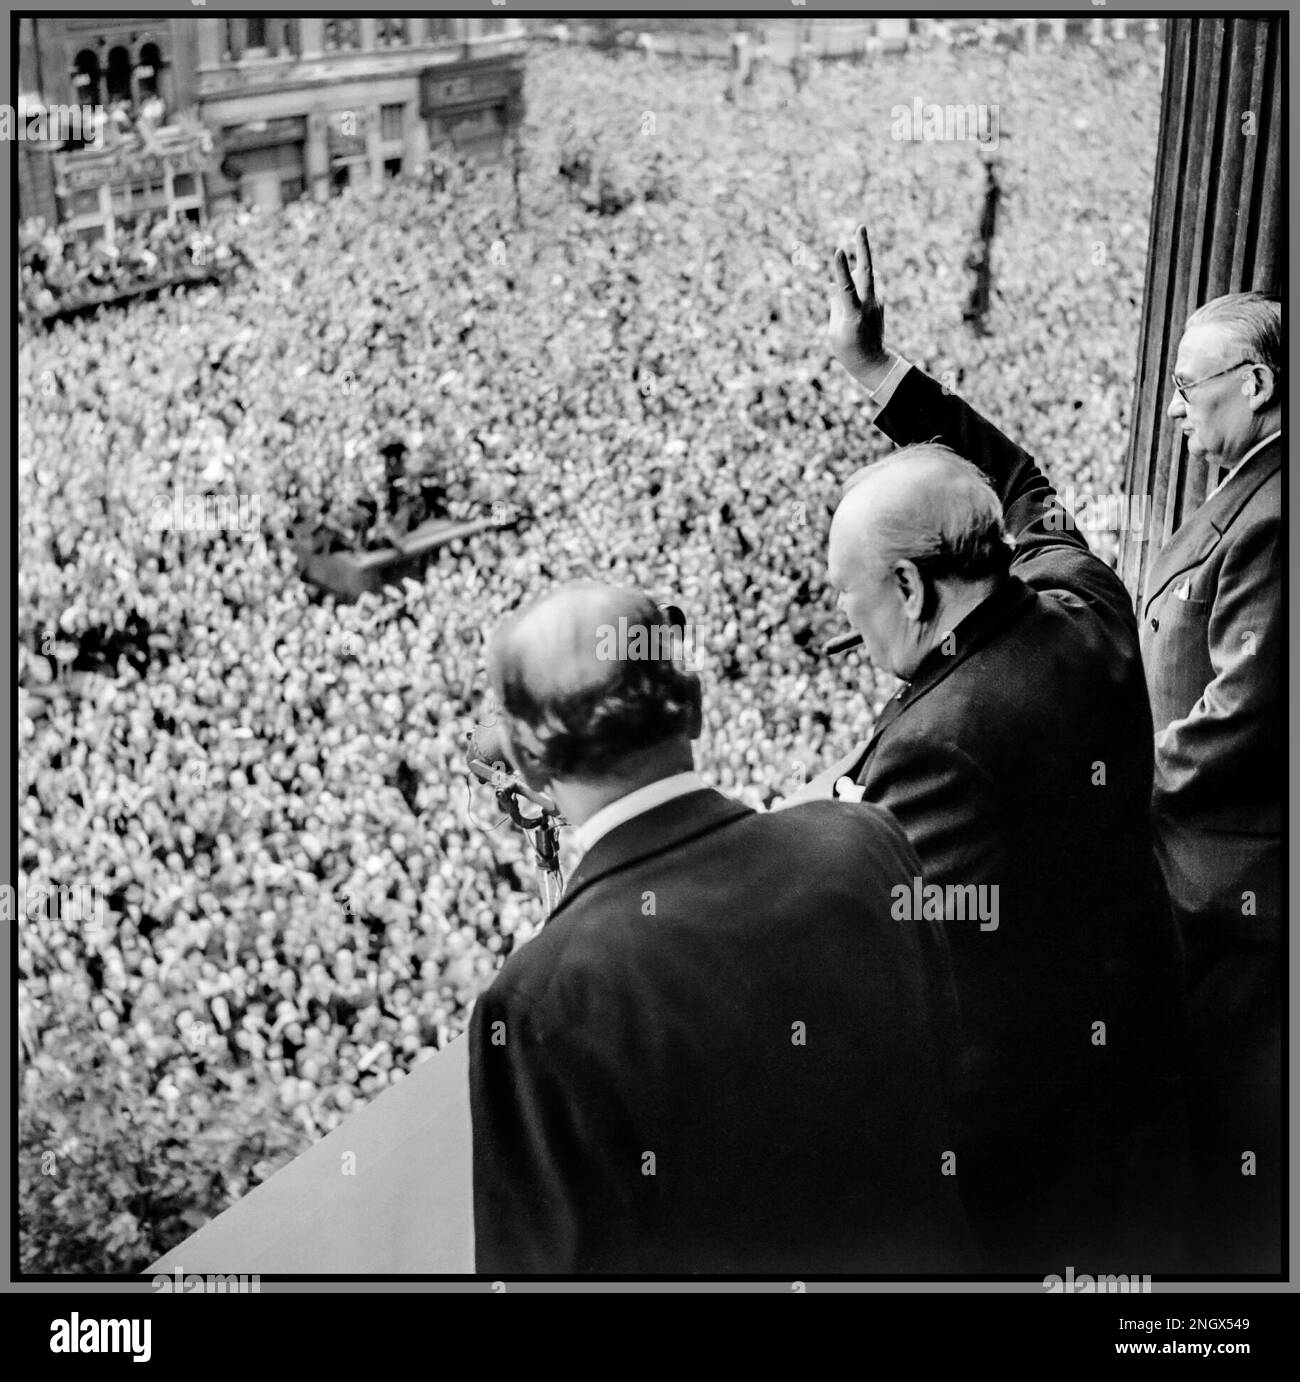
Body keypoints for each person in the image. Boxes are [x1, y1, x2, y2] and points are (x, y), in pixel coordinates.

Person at [793, 224, 1188, 1273]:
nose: (852, 622)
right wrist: (877, 371)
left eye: (853, 597)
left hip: (1036, 1122)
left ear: (913, 588)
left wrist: (820, 816)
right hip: (1148, 1013)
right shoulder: (1079, 591)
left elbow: (889, 935)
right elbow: (1022, 481)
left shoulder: (934, 745)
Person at [469, 581, 975, 1274]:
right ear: (699, 707)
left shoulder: (540, 1000)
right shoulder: (863, 841)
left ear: (529, 766)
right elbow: (951, 1069)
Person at [1144, 291, 1281, 1272]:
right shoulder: (1246, 485)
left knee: (1234, 1142)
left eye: (1188, 386)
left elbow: (1241, 715)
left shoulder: (1274, 513)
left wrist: (1109, 782)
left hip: (1228, 886)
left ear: (1259, 385)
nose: (1174, 407)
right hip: (1205, 874)